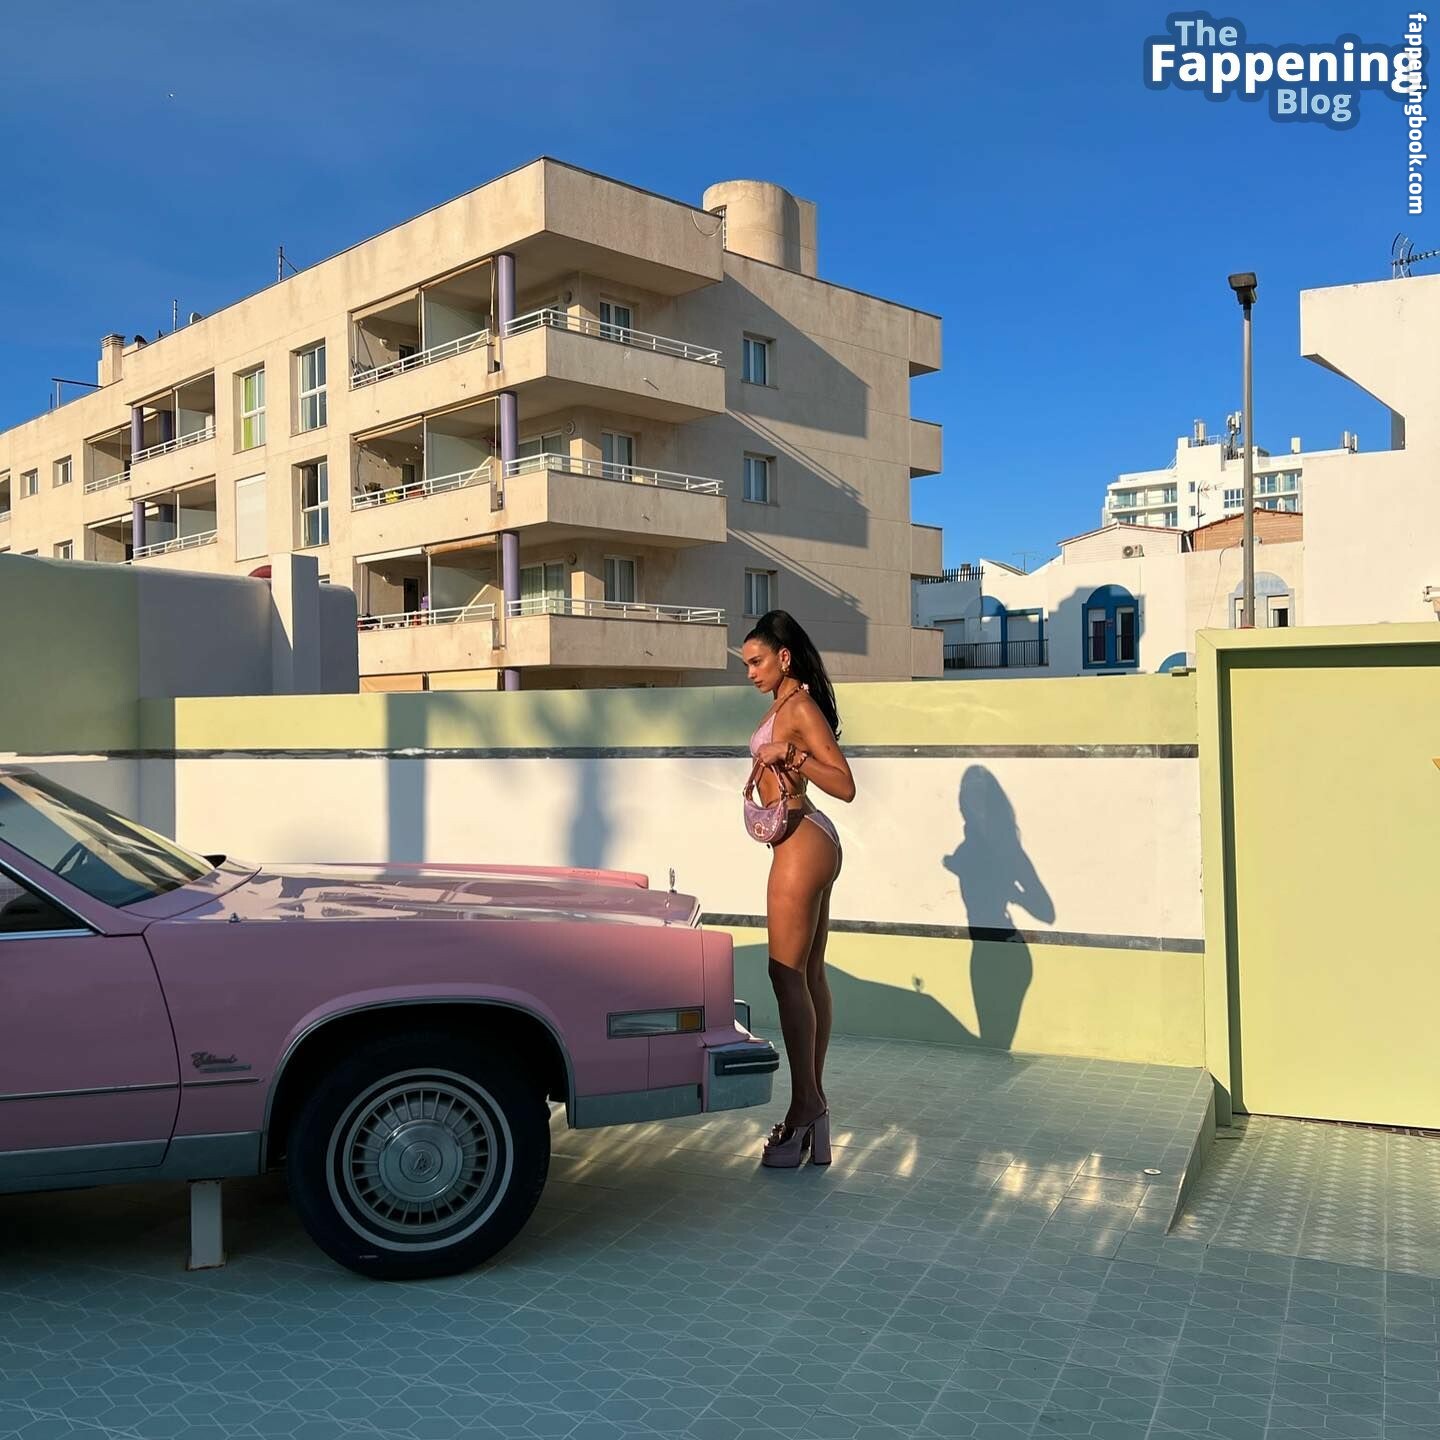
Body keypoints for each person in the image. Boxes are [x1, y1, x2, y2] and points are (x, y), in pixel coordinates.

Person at [741, 610, 855, 1169]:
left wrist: (790, 754)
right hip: (806, 840)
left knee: (784, 975)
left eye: (757, 661)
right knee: (807, 975)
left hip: (802, 843)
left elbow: (845, 784)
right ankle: (813, 1106)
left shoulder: (800, 708)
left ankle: (805, 1106)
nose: (750, 672)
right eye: (746, 664)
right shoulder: (783, 705)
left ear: (783, 657)